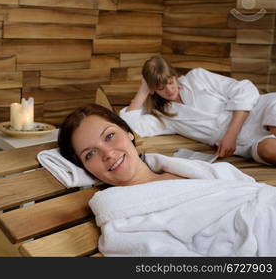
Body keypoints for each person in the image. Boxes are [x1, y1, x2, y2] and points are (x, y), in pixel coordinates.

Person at [57, 103, 276, 256]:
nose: (108, 153)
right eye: (90, 154)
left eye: (110, 135)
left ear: (128, 132)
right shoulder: (123, 222)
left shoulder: (189, 169)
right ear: (85, 168)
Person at [119, 55, 276, 166]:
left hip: (257, 110)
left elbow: (244, 89)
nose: (169, 90)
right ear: (153, 89)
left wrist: (231, 134)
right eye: (160, 88)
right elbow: (131, 124)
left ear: (174, 75)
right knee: (268, 150)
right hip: (246, 142)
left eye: (170, 82)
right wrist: (143, 89)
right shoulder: (165, 117)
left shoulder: (197, 77)